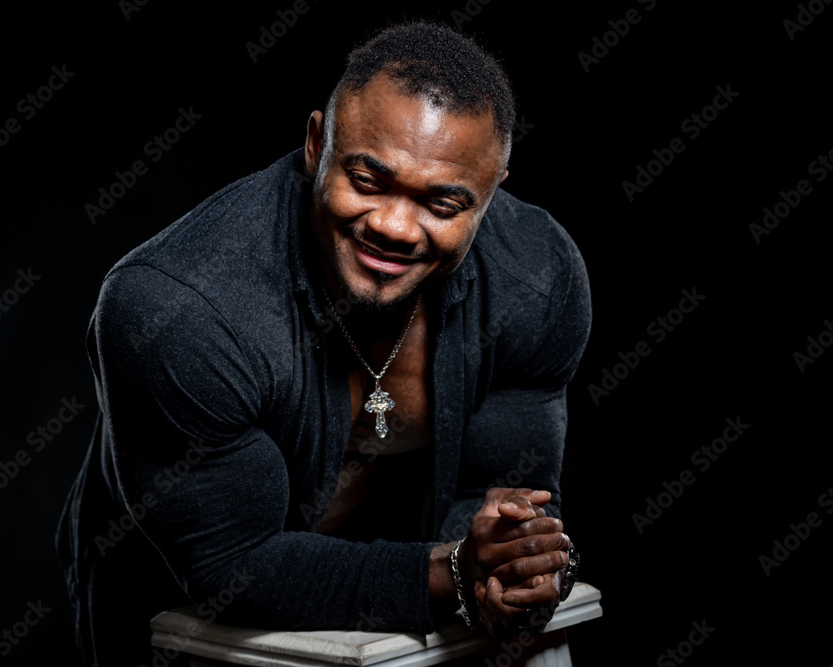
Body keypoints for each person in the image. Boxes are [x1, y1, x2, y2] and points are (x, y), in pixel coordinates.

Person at [56, 20, 591, 666]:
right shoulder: (179, 309)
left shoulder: (537, 278)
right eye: (368, 180)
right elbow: (236, 566)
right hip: (188, 613)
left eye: (443, 203)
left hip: (392, 606)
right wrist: (451, 572)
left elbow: (503, 496)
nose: (394, 226)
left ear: (492, 188)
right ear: (317, 144)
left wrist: (509, 562)